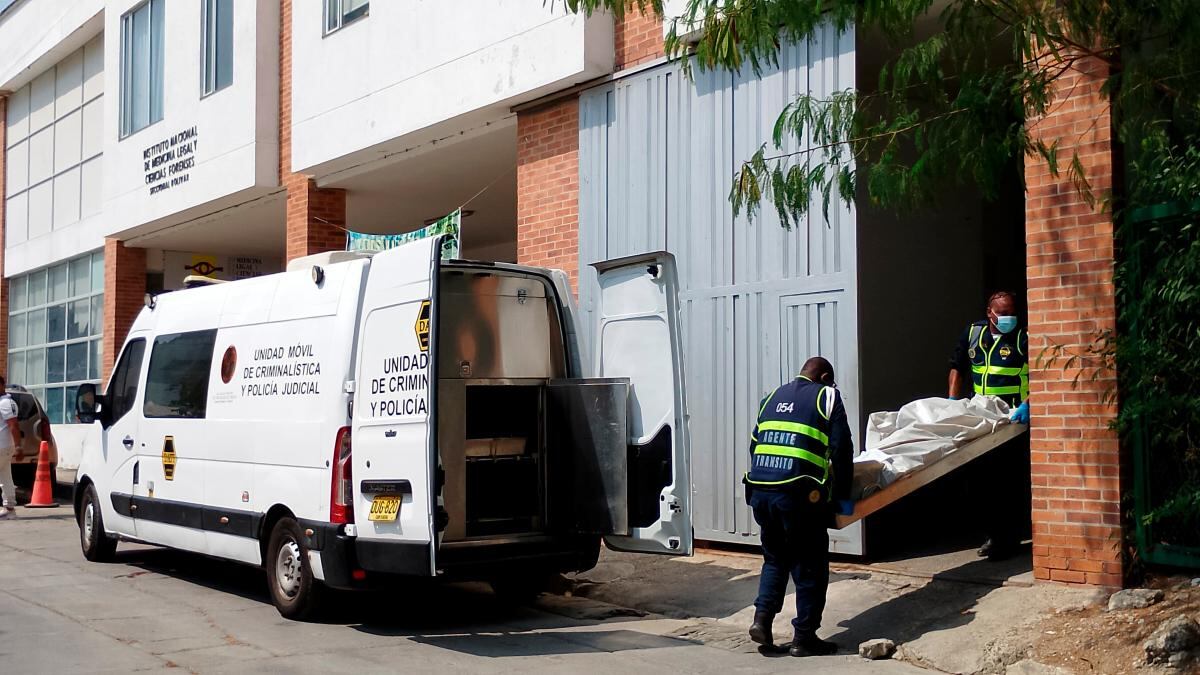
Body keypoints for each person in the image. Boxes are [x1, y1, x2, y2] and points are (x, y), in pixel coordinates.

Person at [743, 357, 854, 657]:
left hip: (762, 492)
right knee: (810, 565)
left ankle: (762, 620)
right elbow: (842, 449)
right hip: (798, 495)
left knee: (775, 559)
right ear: (825, 377)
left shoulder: (771, 398)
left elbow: (754, 446)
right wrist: (843, 499)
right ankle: (804, 638)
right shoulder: (827, 396)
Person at [948, 290, 1031, 559]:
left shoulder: (1023, 338)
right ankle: (994, 536)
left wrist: (1028, 404)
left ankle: (1008, 540)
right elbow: (957, 367)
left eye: (1012, 313)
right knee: (981, 482)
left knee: (1008, 482)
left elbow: (1042, 374)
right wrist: (952, 402)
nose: (1009, 318)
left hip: (1013, 419)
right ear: (990, 313)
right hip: (982, 418)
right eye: (1003, 313)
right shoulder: (974, 333)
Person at [0, 377, 20, 519]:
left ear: (2, 385)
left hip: (2, 445)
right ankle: (9, 508)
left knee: (5, 476)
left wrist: (19, 446)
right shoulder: (6, 402)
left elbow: (13, 425)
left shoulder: (5, 403)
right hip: (5, 446)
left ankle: (9, 508)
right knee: (5, 476)